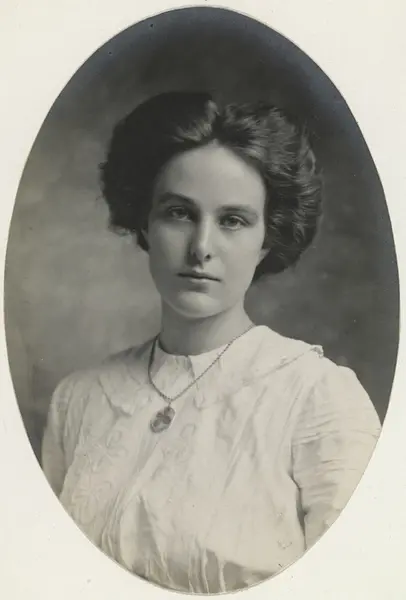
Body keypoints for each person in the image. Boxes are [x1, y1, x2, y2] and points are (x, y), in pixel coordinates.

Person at [42, 91, 381, 594]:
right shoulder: (79, 400)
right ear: (144, 222)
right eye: (179, 213)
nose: (201, 248)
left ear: (266, 239)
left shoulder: (319, 399)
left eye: (232, 221)